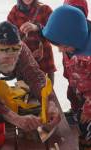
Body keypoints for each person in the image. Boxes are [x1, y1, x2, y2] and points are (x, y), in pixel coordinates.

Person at [42, 5, 91, 149]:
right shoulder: (75, 38)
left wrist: (88, 109)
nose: (59, 50)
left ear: (75, 39)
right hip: (82, 97)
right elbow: (54, 30)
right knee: (83, 128)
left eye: (63, 46)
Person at [7, 0, 56, 84]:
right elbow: (8, 40)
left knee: (47, 94)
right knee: (24, 94)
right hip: (24, 64)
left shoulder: (45, 10)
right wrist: (19, 33)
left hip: (45, 62)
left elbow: (55, 35)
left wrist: (38, 28)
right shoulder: (14, 12)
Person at [63, 0, 90, 122]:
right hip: (74, 82)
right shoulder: (64, 32)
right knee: (73, 95)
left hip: (88, 91)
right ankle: (76, 112)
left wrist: (88, 109)